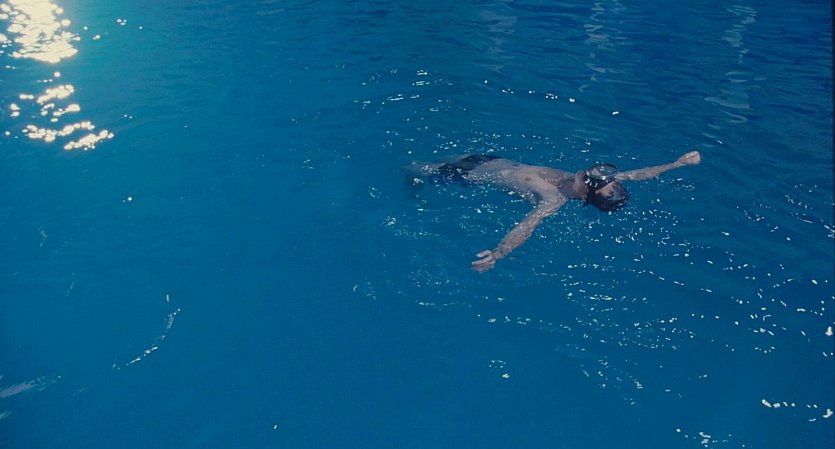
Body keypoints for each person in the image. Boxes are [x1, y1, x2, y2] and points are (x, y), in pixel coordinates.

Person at [410, 151, 702, 272]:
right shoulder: (587, 180)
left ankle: (411, 185)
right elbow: (640, 174)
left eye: (594, 181)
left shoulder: (553, 199)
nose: (594, 175)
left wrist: (498, 254)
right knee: (433, 159)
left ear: (586, 194)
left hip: (468, 176)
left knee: (413, 168)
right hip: (490, 160)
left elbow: (527, 226)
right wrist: (677, 164)